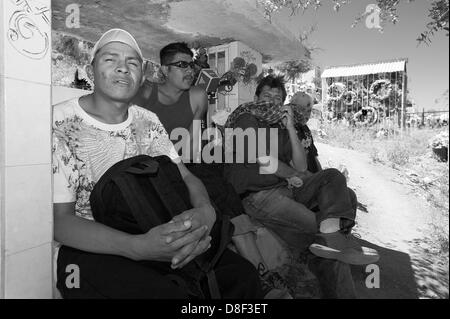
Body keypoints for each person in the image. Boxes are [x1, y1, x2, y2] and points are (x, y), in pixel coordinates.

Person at [52, 29, 262, 299]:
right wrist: (137, 247)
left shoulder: (147, 120)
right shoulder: (59, 123)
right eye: (110, 59)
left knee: (242, 278)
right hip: (93, 245)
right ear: (90, 70)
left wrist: (204, 211)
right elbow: (60, 222)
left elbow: (186, 176)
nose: (122, 68)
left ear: (141, 74)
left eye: (132, 62)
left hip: (152, 224)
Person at [133, 42, 292, 299]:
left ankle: (259, 277)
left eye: (192, 64)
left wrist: (196, 171)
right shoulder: (146, 93)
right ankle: (257, 279)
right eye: (181, 64)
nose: (190, 70)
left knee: (221, 188)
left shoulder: (197, 95)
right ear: (164, 69)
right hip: (155, 166)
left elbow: (195, 145)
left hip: (186, 163)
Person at [224, 75, 379, 266]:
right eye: (266, 95)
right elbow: (264, 160)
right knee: (324, 225)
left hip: (286, 189)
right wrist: (293, 174)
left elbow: (301, 165)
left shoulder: (281, 126)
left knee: (335, 179)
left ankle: (335, 244)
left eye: (277, 98)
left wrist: (289, 128)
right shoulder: (246, 118)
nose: (272, 101)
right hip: (257, 196)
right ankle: (337, 245)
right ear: (256, 99)